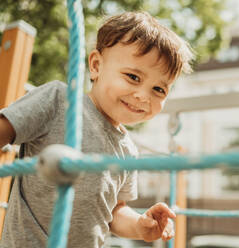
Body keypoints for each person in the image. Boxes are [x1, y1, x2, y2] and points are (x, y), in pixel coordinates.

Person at [0, 11, 193, 248]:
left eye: (159, 90)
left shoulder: (128, 151)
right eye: (133, 77)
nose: (143, 96)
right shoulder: (60, 100)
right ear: (96, 66)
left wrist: (139, 225)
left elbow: (115, 212)